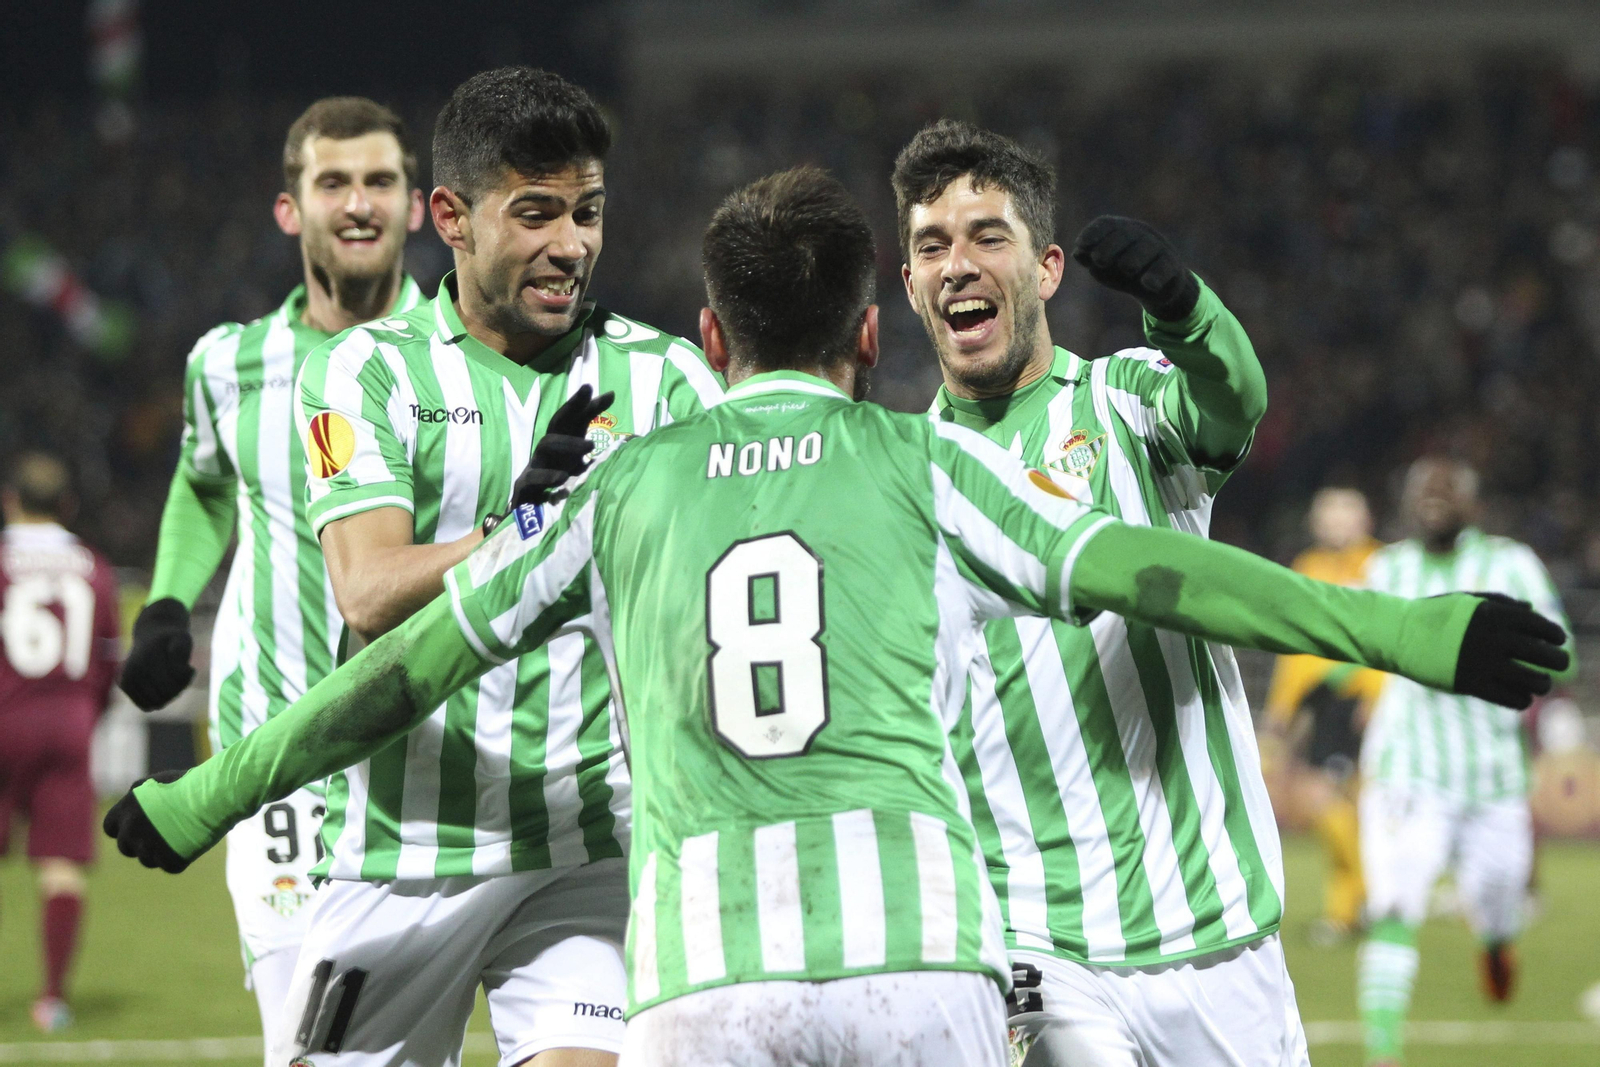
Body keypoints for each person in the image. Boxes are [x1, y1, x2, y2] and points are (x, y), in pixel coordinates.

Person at [104, 167, 1568, 1067]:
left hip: (702, 986)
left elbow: (396, 669)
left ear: (709, 341)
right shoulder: (927, 458)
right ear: (874, 336)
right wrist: (1417, 636)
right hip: (918, 969)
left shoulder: (619, 489)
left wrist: (205, 791)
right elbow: (1155, 570)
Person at [281, 67, 721, 1067]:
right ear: (452, 216)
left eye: (587, 212)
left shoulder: (666, 380)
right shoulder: (361, 371)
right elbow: (366, 595)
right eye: (535, 213)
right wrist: (521, 528)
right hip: (401, 856)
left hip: (586, 854)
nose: (570, 245)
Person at [895, 119, 1298, 1064]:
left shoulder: (1127, 401)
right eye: (930, 245)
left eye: (986, 236)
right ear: (910, 284)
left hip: (1218, 928)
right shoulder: (900, 475)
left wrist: (1184, 308)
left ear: (1045, 269)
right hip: (1032, 942)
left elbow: (1232, 404)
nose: (957, 264)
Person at [113, 96, 427, 1057]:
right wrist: (168, 598)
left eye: (380, 181)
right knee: (306, 1043)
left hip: (429, 762)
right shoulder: (229, 364)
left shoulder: (467, 359)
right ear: (290, 209)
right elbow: (205, 482)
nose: (359, 203)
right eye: (333, 182)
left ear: (419, 207)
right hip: (274, 757)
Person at [1355, 456, 1576, 1067]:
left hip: (1495, 779)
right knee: (1395, 907)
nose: (1433, 498)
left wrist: (1509, 663)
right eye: (1422, 490)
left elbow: (1565, 658)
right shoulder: (1387, 567)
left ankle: (1497, 941)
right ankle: (1383, 1051)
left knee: (1500, 904)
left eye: (1447, 491)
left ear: (1473, 506)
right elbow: (1352, 646)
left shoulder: (1510, 565)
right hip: (1408, 773)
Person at [0, 453, 120, 1031]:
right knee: (60, 868)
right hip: (69, 726)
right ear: (67, 506)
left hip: (3, 718)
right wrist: (84, 715)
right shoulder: (94, 567)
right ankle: (52, 1001)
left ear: (10, 500)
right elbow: (108, 660)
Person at [1261, 486, 1385, 946]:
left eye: (1345, 515)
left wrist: (1377, 693)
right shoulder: (1308, 567)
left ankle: (1354, 903)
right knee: (1326, 802)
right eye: (1328, 516)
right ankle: (1354, 902)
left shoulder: (1380, 565)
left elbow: (1386, 633)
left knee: (1335, 799)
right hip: (1320, 700)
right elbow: (1293, 646)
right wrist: (1281, 707)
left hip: (1358, 696)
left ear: (1365, 520)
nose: (1335, 524)